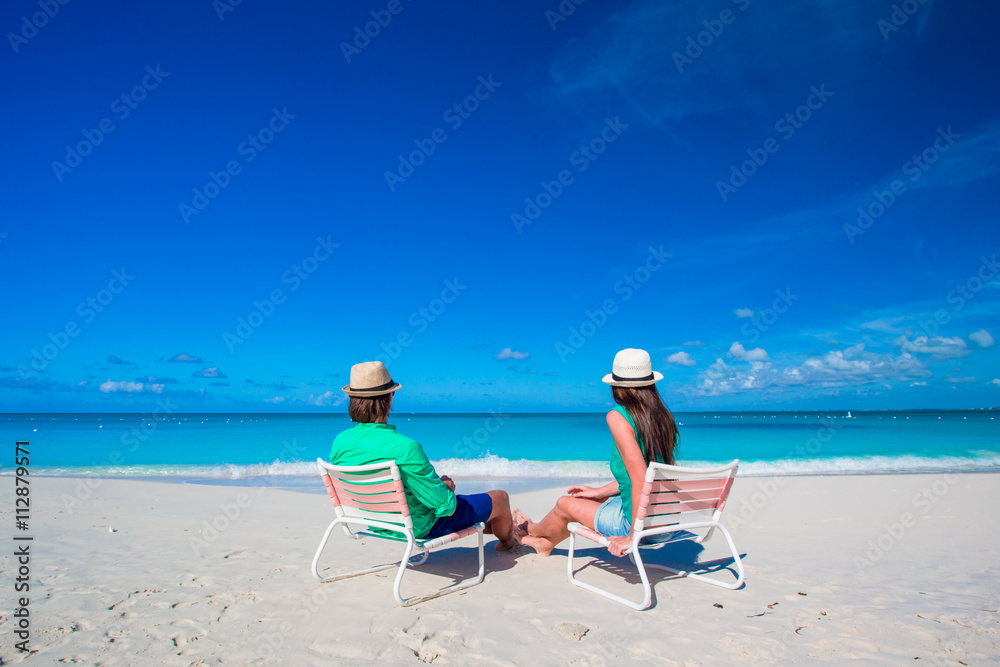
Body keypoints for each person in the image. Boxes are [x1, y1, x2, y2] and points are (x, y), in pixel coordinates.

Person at [329, 360, 517, 550]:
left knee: (484, 511)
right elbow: (447, 507)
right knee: (500, 498)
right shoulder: (405, 448)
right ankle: (510, 544)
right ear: (389, 398)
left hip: (377, 522)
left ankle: (509, 528)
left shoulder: (340, 442)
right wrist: (447, 487)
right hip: (418, 527)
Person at [514, 348, 679, 557]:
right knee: (590, 500)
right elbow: (646, 475)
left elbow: (640, 480)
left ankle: (529, 529)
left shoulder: (618, 417)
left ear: (618, 388)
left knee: (564, 504)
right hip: (667, 523)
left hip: (641, 529)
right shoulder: (664, 418)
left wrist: (632, 536)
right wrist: (599, 492)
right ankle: (544, 544)